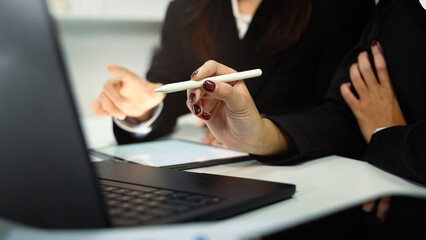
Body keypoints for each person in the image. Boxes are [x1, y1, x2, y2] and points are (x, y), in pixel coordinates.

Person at [186, 0, 426, 237]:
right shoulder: (397, 10)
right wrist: (262, 134)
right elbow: (348, 109)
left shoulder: (338, 9)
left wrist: (387, 134)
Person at [91, 0, 375, 145]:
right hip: (208, 182)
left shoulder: (338, 6)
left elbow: (343, 115)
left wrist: (264, 131)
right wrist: (142, 109)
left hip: (303, 181)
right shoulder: (186, 8)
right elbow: (169, 95)